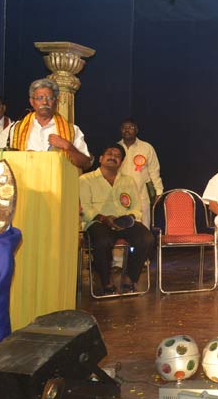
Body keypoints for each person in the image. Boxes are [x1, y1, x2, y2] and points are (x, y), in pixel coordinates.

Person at [79, 144, 154, 295]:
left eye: (117, 156)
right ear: (101, 158)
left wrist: (129, 218)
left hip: (123, 222)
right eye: (109, 153)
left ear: (122, 162)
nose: (113, 157)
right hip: (98, 222)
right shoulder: (85, 179)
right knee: (102, 241)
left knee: (146, 238)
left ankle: (129, 278)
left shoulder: (128, 181)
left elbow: (136, 207)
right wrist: (105, 219)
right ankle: (106, 281)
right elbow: (86, 208)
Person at [9, 78, 92, 170]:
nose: (45, 102)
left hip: (57, 182)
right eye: (40, 98)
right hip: (25, 182)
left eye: (50, 98)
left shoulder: (72, 130)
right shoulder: (16, 129)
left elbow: (86, 164)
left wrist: (68, 146)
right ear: (32, 102)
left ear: (56, 102)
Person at [117, 118, 164, 228]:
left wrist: (159, 191)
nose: (127, 130)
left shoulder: (146, 147)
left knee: (143, 228)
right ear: (120, 130)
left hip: (141, 194)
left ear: (136, 130)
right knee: (122, 227)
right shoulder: (115, 148)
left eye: (131, 127)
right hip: (119, 196)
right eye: (124, 127)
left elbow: (154, 170)